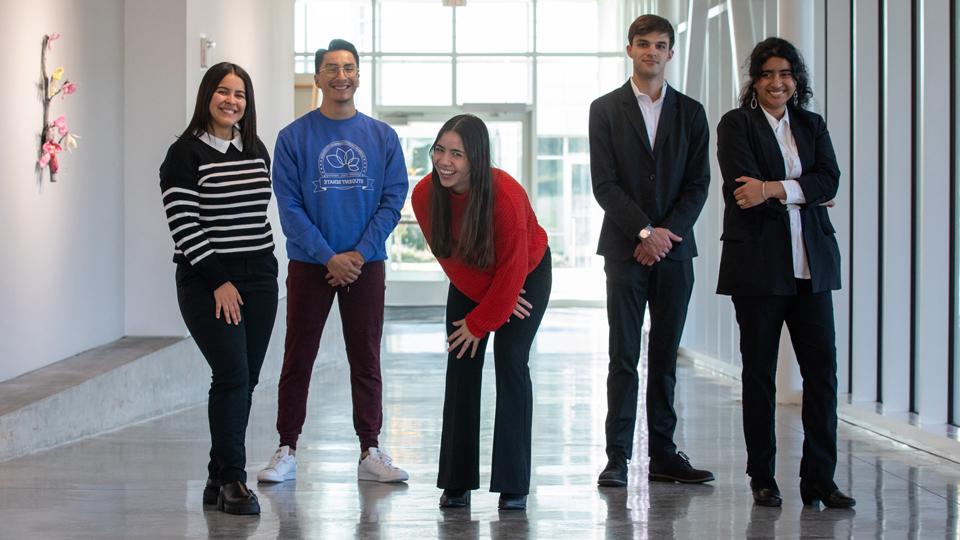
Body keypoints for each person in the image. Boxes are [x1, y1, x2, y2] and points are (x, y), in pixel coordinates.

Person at [257, 39, 409, 484]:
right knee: (297, 356)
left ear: (358, 75)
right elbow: (289, 208)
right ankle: (286, 447)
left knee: (365, 357)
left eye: (348, 68)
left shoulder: (382, 137)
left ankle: (371, 450)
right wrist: (329, 257)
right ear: (318, 76)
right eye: (331, 68)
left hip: (366, 263)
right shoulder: (293, 137)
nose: (341, 75)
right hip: (310, 265)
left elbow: (393, 199)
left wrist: (358, 254)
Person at [716, 37, 855, 509]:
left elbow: (830, 179)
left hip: (811, 267)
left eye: (786, 74)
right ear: (754, 82)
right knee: (759, 375)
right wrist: (803, 190)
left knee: (824, 374)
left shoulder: (812, 125)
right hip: (758, 268)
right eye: (768, 74)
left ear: (797, 81)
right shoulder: (736, 125)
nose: (778, 82)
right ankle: (763, 477)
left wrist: (775, 188)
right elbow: (742, 190)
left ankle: (820, 478)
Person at [589, 14, 714, 488]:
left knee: (664, 357)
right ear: (630, 49)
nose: (652, 52)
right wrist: (644, 233)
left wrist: (663, 237)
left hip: (675, 254)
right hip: (625, 252)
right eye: (643, 44)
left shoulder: (692, 112)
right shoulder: (605, 109)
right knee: (623, 356)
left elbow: (698, 185)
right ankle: (617, 457)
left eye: (661, 45)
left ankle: (663, 454)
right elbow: (605, 184)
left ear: (671, 53)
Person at [411, 114, 551, 511]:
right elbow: (447, 258)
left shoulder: (504, 194)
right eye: (440, 150)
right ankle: (456, 481)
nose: (445, 161)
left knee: (510, 359)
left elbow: (512, 267)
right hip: (469, 277)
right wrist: (485, 313)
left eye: (457, 153)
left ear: (476, 158)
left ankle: (513, 483)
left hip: (526, 274)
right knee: (462, 358)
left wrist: (491, 312)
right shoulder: (424, 194)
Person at [159, 62, 278, 515]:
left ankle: (216, 476)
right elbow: (184, 226)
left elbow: (257, 215)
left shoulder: (255, 148)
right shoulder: (184, 154)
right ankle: (233, 480)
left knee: (245, 379)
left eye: (241, 95)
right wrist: (219, 281)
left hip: (260, 277)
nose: (232, 101)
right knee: (231, 374)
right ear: (208, 95)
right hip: (206, 279)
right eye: (224, 92)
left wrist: (260, 273)